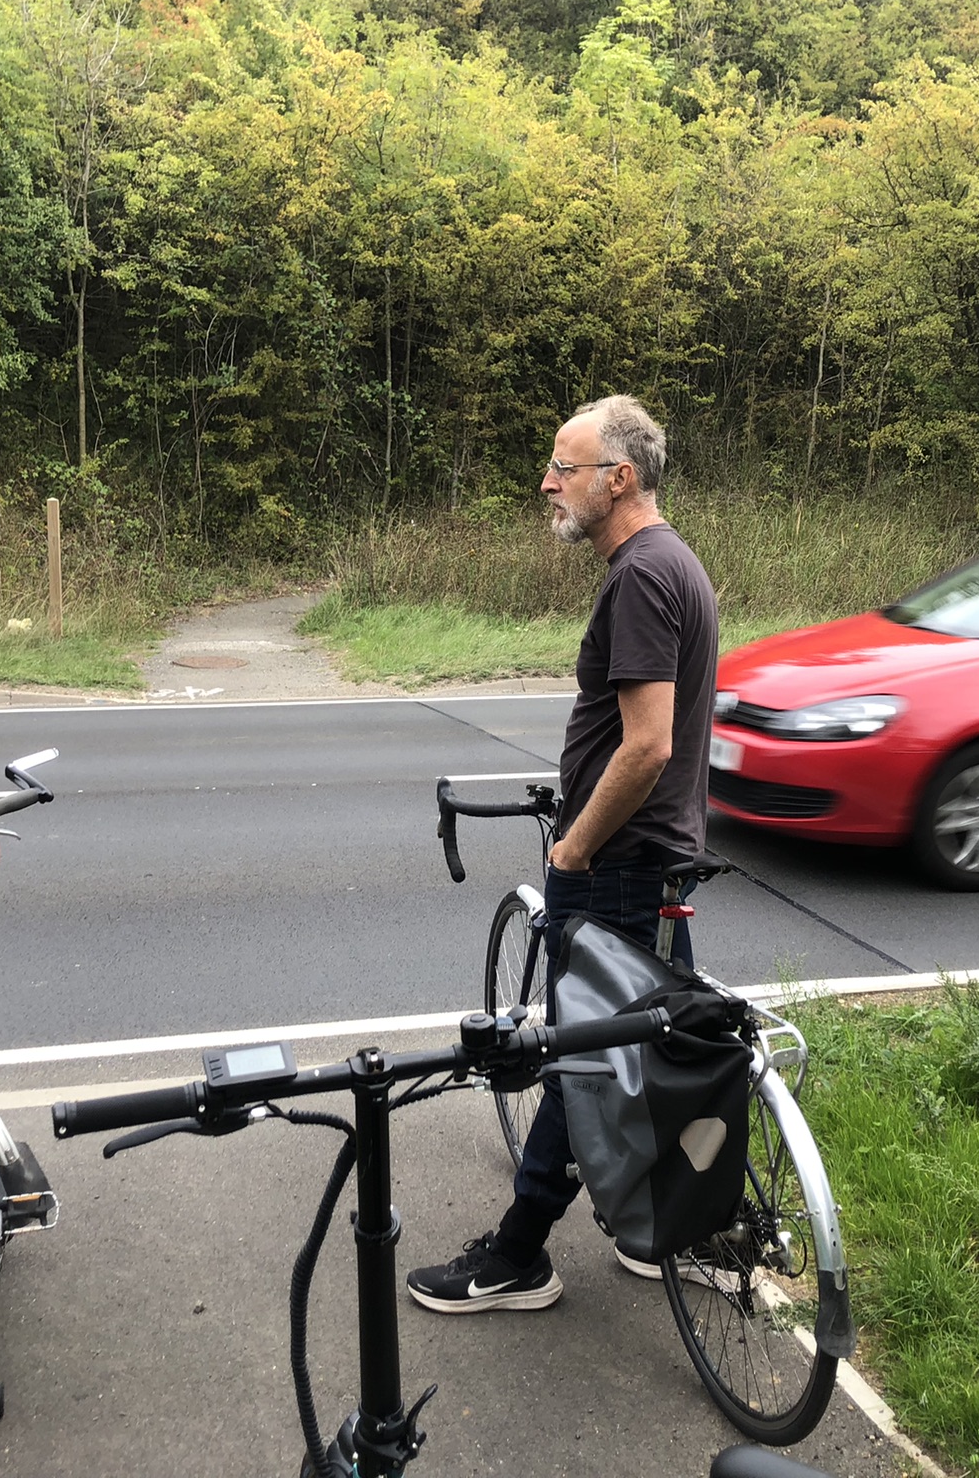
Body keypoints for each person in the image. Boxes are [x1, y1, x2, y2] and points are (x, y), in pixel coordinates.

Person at [407, 394, 718, 1313]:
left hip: (620, 860)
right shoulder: (671, 563)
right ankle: (673, 1219)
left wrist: (576, 848)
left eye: (564, 466)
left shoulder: (638, 579)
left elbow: (649, 744)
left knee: (582, 1059)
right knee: (669, 1045)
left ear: (617, 479)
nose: (548, 481)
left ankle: (518, 1254)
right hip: (654, 855)